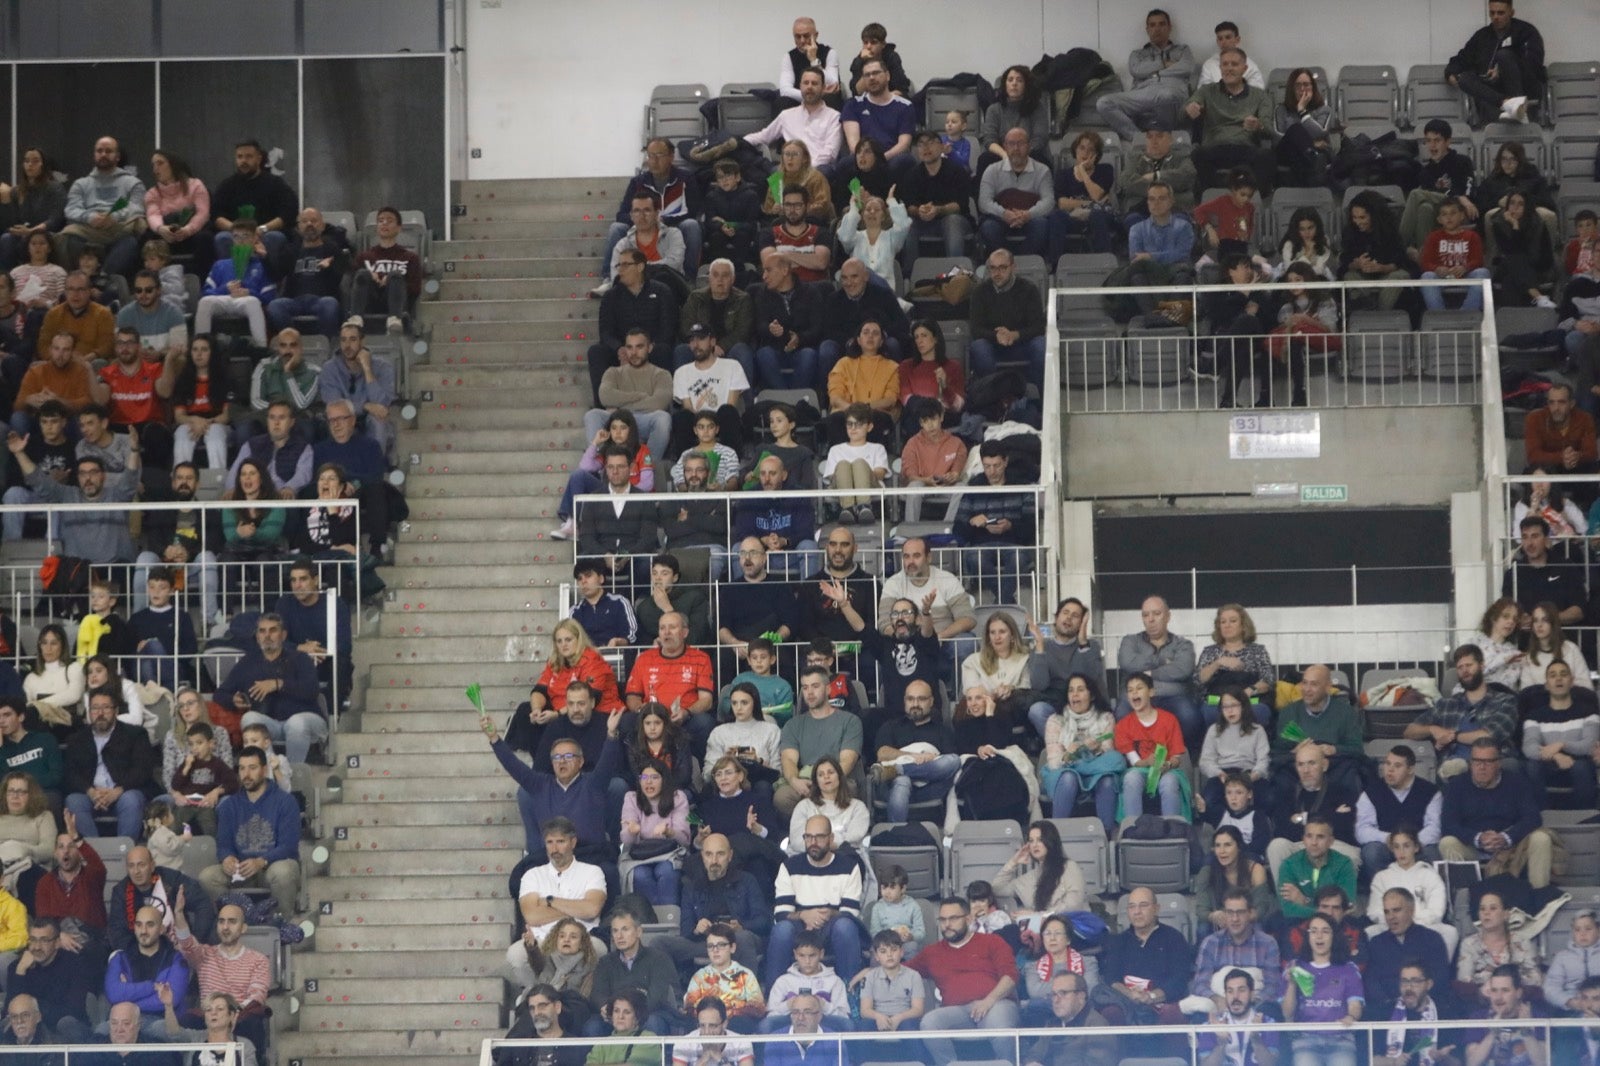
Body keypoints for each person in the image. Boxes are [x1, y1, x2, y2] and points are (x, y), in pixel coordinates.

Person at [907, 896, 1020, 1063]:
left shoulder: (992, 941)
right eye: (943, 919)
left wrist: (988, 1001)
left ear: (968, 918)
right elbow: (901, 970)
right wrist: (868, 971)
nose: (947, 924)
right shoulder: (932, 953)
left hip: (995, 1005)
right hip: (956, 1012)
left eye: (953, 918)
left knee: (1000, 1024)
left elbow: (1010, 976)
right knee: (929, 1023)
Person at [198, 746, 300, 917]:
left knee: (283, 872)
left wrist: (261, 862)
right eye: (242, 768)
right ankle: (232, 923)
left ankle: (280, 928)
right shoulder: (229, 805)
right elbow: (224, 844)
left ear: (264, 769)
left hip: (272, 867)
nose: (246, 774)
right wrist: (227, 858)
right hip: (241, 870)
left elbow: (288, 847)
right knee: (208, 877)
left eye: (252, 768)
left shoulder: (285, 801)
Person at [1439, 739, 1555, 888]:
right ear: (1470, 763)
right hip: (1474, 846)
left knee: (1541, 838)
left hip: (1512, 846)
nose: (1482, 767)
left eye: (1488, 762)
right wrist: (1478, 838)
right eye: (1477, 761)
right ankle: (1466, 895)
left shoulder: (1517, 782)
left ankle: (1539, 894)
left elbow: (1533, 818)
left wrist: (1506, 838)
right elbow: (1448, 824)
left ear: (1499, 763)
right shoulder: (1457, 785)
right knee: (1447, 842)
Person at [765, 817, 864, 987]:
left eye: (819, 837)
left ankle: (851, 995)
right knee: (781, 930)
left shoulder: (849, 867)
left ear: (831, 839)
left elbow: (851, 913)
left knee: (846, 927)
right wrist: (804, 915)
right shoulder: (789, 866)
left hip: (832, 926)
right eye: (808, 837)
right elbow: (781, 913)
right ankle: (773, 997)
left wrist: (827, 914)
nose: (813, 842)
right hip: (800, 927)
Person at [214, 614, 323, 765]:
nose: (267, 636)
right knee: (249, 718)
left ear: (283, 635)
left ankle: (292, 774)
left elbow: (312, 691)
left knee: (295, 722)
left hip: (308, 720)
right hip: (272, 724)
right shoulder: (248, 662)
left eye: (273, 630)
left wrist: (278, 684)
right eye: (262, 631)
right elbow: (220, 694)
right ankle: (270, 770)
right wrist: (233, 700)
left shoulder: (300, 658)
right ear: (257, 636)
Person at [659, 833, 770, 976]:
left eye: (720, 854)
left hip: (737, 940)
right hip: (706, 942)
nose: (714, 860)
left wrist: (741, 926)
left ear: (730, 855)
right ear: (702, 857)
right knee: (659, 942)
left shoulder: (747, 881)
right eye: (709, 855)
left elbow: (764, 921)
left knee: (744, 937)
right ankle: (675, 995)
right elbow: (685, 929)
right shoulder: (691, 886)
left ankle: (747, 994)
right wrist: (697, 929)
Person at [1406, 644, 1521, 773]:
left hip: (1493, 764)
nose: (1465, 671)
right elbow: (1410, 730)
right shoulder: (1446, 704)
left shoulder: (1504, 701)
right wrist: (1432, 729)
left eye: (1469, 665)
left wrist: (1453, 736)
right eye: (1460, 667)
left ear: (1481, 665)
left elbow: (1490, 736)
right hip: (1452, 767)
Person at [63, 689, 154, 839]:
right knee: (73, 801)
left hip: (124, 792)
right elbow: (70, 773)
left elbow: (142, 770)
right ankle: (93, 854)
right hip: (91, 795)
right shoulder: (77, 739)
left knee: (131, 799)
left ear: (116, 711)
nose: (100, 713)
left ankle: (126, 852)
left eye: (106, 707)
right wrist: (91, 792)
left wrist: (117, 791)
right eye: (95, 708)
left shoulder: (135, 734)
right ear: (89, 712)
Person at [1095, 886, 1193, 1024]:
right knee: (1110, 1012)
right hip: (1127, 1003)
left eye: (1143, 906)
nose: (1137, 912)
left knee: (1172, 1014)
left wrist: (1151, 996)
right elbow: (1111, 978)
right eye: (1132, 907)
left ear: (1156, 908)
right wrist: (1130, 995)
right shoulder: (1118, 941)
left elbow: (1179, 979)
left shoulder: (1174, 938)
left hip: (1163, 1003)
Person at [773, 667, 863, 819]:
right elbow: (788, 759)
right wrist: (795, 781)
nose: (809, 693)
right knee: (782, 797)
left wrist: (823, 783)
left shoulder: (850, 721)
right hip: (805, 781)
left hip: (837, 780)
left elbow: (848, 760)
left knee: (847, 790)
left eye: (815, 686)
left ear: (828, 689)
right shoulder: (793, 724)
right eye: (805, 687)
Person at [953, 443, 1036, 605]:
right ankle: (1006, 601)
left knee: (1019, 559)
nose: (992, 471)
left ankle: (1001, 600)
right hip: (980, 544)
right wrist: (972, 522)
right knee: (975, 559)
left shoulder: (1022, 485)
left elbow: (1031, 526)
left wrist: (1011, 526)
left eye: (997, 466)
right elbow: (958, 530)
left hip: (1014, 543)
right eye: (987, 466)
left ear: (1005, 462)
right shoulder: (974, 486)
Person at [1266, 742, 1361, 881]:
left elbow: (1345, 826)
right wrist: (1330, 816)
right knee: (1276, 846)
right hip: (1299, 846)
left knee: (1349, 857)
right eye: (1301, 764)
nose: (1306, 770)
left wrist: (1302, 818)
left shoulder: (1343, 791)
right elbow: (1282, 829)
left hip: (1334, 845)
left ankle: (1332, 902)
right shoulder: (1287, 793)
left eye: (1311, 763)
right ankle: (1289, 902)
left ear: (1324, 765)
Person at [1185, 49, 1277, 192]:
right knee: (1197, 155)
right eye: (1225, 64)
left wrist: (1258, 126)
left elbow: (1269, 131)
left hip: (1245, 147)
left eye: (1234, 64)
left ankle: (1256, 204)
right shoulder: (1206, 90)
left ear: (1244, 68)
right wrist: (1190, 108)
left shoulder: (1260, 96)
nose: (1229, 68)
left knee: (1267, 157)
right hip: (1215, 146)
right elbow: (1186, 110)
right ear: (1220, 67)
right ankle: (1211, 199)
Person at [1097, 10, 1197, 141]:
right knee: (1104, 103)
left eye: (1162, 24)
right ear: (1147, 29)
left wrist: (1154, 73)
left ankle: (1164, 141)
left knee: (1165, 95)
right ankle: (1140, 140)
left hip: (1173, 96)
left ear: (1169, 27)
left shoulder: (1183, 50)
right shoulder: (1138, 54)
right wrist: (1163, 63)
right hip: (1143, 95)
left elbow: (1187, 67)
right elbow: (1136, 70)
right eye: (1153, 25)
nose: (1157, 29)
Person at [623, 612, 716, 753]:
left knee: (704, 722)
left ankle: (702, 770)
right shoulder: (644, 658)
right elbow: (632, 696)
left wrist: (686, 712)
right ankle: (632, 772)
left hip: (684, 719)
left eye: (672, 627)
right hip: (651, 719)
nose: (666, 633)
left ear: (685, 632)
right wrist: (640, 709)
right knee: (626, 722)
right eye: (662, 628)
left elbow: (706, 700)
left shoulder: (701, 658)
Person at [1282, 912, 1364, 1066]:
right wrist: (1292, 984)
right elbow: (1287, 1013)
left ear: (1334, 936)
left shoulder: (1348, 969)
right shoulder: (1295, 966)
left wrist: (1351, 1017)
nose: (1319, 936)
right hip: (1305, 1040)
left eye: (1325, 931)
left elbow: (1355, 1006)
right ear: (1308, 936)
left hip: (1341, 1040)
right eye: (1314, 931)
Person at [1366, 885, 1454, 1026]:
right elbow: (1372, 982)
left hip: (1426, 1010)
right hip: (1387, 1014)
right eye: (1387, 912)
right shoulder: (1377, 943)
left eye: (1396, 910)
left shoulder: (1432, 939)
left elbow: (1441, 979)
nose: (1391, 917)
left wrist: (1415, 1001)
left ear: (1411, 910)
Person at [59, 137, 145, 278]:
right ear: (94, 155)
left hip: (119, 229)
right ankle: (81, 280)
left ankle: (103, 282)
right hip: (88, 229)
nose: (103, 154)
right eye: (99, 151)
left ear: (117, 157)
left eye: (108, 151)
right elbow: (71, 209)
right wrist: (90, 217)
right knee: (69, 237)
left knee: (131, 240)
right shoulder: (81, 184)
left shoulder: (133, 183)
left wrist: (114, 216)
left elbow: (137, 207)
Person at [1271, 664, 1363, 795]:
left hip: (1333, 767)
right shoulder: (1289, 713)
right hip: (1299, 769)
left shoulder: (1345, 713)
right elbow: (1278, 753)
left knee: (1351, 773)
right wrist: (1294, 751)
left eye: (1314, 684)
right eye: (1304, 683)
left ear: (1327, 687)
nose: (1307, 689)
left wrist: (1334, 749)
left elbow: (1357, 750)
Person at [1446, 1, 1545, 122]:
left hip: (1521, 90)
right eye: (1492, 13)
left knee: (1504, 56)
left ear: (1511, 13)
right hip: (1494, 97)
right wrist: (1450, 72)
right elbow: (1462, 58)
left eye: (1500, 13)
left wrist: (1502, 69)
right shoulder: (1481, 36)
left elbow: (1534, 63)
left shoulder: (1527, 32)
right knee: (1463, 78)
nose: (1496, 17)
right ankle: (1508, 105)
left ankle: (1515, 105)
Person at [1522, 659, 1600, 808]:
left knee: (1581, 767)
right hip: (1546, 765)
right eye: (1552, 675)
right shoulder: (1534, 715)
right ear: (1546, 684)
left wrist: (1560, 744)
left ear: (1571, 681)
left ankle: (1582, 818)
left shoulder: (1588, 711)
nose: (1558, 678)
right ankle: (1541, 819)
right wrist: (1556, 755)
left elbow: (1589, 745)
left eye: (1563, 674)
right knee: (1531, 766)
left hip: (1580, 765)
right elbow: (1529, 748)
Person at [968, 248, 1046, 391]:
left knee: (1041, 345)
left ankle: (1038, 397)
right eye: (993, 268)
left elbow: (1038, 327)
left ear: (1013, 267)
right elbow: (975, 328)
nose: (997, 273)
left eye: (1002, 268)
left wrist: (1015, 335)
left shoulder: (1029, 289)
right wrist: (996, 336)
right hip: (993, 345)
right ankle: (991, 397)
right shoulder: (980, 292)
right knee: (979, 347)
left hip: (1022, 344)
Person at [1400, 120, 1479, 256]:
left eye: (1437, 140)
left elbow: (1469, 191)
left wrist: (1461, 198)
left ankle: (1398, 246)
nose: (1432, 145)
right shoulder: (1426, 172)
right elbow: (1433, 200)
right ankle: (1424, 256)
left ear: (1448, 142)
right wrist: (1457, 196)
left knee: (1415, 194)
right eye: (1428, 141)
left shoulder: (1462, 161)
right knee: (1425, 208)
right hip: (1439, 214)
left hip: (1462, 210)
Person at [1357, 749, 1443, 873]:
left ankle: (1424, 891)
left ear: (1410, 769)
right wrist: (1390, 839)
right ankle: (1383, 890)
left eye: (1397, 766)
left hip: (1418, 845)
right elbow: (1362, 830)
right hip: (1386, 846)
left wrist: (1409, 844)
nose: (1390, 770)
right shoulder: (1371, 792)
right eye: (1387, 764)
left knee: (1432, 853)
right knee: (1371, 852)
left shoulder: (1430, 792)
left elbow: (1435, 828)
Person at [1115, 671, 1187, 818]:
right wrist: (1147, 762)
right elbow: (1134, 761)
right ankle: (1133, 829)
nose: (1134, 693)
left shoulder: (1169, 720)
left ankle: (1173, 829)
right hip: (1140, 769)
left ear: (1151, 692)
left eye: (1139, 688)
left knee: (1169, 783)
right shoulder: (1123, 725)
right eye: (1130, 690)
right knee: (1131, 779)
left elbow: (1176, 757)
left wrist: (1167, 765)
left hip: (1166, 770)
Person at [749, 251, 823, 391]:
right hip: (774, 349)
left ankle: (793, 399)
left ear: (784, 270)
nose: (764, 276)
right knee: (764, 354)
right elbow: (759, 325)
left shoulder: (811, 292)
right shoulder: (762, 294)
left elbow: (817, 327)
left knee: (809, 355)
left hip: (802, 348)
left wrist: (799, 338)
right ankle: (784, 400)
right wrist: (770, 329)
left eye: (768, 270)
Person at [898, 131, 972, 265]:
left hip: (956, 220)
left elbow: (960, 205)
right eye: (921, 144)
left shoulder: (957, 171)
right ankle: (910, 277)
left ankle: (956, 274)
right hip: (922, 221)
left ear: (942, 146)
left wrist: (938, 210)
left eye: (930, 143)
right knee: (908, 224)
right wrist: (919, 210)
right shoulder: (911, 175)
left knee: (953, 221)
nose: (926, 148)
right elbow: (909, 206)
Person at [1195, 604, 1275, 727]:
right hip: (1218, 701)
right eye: (1223, 622)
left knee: (1259, 712)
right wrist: (1218, 663)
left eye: (1233, 621)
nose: (1227, 625)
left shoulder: (1258, 651)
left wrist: (1249, 691)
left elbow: (1268, 680)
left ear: (1243, 625)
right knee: (1208, 713)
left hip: (1249, 699)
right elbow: (1198, 680)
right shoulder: (1210, 652)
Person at [992, 820, 1087, 924]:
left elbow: (1073, 905)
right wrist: (1013, 862)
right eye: (1031, 841)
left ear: (1050, 841)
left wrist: (1037, 916)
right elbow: (997, 889)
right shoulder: (1031, 877)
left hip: (1071, 927)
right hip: (1040, 931)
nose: (1034, 845)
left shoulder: (1069, 867)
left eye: (1040, 840)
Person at [976, 130, 1052, 258]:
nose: (1016, 148)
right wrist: (1004, 214)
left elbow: (1049, 202)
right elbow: (984, 202)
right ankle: (1005, 261)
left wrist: (1028, 215)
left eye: (1020, 143)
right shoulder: (992, 170)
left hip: (1031, 218)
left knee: (1042, 226)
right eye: (1011, 144)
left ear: (1029, 146)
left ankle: (1023, 262)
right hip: (1000, 218)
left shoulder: (1042, 170)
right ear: (1005, 146)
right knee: (988, 227)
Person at [1502, 516, 1586, 624]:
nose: (1529, 543)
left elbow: (1578, 611)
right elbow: (1507, 610)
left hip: (1561, 636)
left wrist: (1543, 620)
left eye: (1535, 536)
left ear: (1546, 539)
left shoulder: (1566, 567)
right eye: (1525, 537)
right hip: (1527, 637)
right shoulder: (1513, 573)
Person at [1194, 826, 1277, 934]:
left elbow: (1261, 909)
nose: (1222, 851)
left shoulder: (1255, 869)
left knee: (1257, 927)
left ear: (1238, 847)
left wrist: (1237, 918)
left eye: (1227, 845)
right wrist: (1213, 916)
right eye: (1218, 846)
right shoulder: (1207, 871)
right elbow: (1201, 910)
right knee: (1203, 928)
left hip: (1247, 919)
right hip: (1220, 921)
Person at [1277, 815, 1358, 924]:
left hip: (1333, 927)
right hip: (1298, 924)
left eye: (1320, 837)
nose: (1314, 842)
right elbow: (1289, 910)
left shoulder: (1344, 864)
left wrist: (1305, 901)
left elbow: (1345, 908)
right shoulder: (1289, 865)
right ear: (1303, 839)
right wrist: (1326, 911)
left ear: (1331, 841)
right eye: (1309, 836)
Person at [351, 207, 420, 334]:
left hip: (398, 302)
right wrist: (371, 277)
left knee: (395, 275)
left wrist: (392, 281)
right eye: (381, 220)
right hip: (370, 301)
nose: (384, 223)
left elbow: (415, 288)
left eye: (389, 220)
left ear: (399, 228)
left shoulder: (410, 257)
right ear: (377, 227)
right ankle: (356, 318)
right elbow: (353, 285)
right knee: (362, 273)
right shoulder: (364, 257)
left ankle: (394, 319)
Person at [1463, 965, 1547, 1066]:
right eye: (1494, 990)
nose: (1498, 997)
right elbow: (1471, 1063)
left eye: (1505, 990)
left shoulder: (1538, 1018)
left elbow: (1544, 1063)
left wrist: (1526, 1031)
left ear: (1518, 993)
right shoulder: (1478, 1018)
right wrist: (1493, 1033)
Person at [1519, 602, 1591, 691]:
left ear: (1553, 623)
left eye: (1545, 620)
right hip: (1541, 704)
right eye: (1535, 620)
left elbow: (1586, 687)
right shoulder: (1529, 657)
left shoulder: (1571, 649)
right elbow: (1526, 693)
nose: (1539, 625)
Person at [670, 996, 754, 1065]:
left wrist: (720, 1060)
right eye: (702, 1026)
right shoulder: (683, 1044)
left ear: (724, 1024)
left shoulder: (742, 1043)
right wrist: (702, 1061)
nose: (707, 1032)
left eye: (712, 1026)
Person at [1544, 910, 1600, 1013]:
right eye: (1577, 930)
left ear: (1598, 931)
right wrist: (1569, 1001)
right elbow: (1551, 988)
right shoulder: (1562, 957)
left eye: (1588, 929)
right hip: (1572, 1009)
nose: (1583, 934)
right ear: (1572, 933)